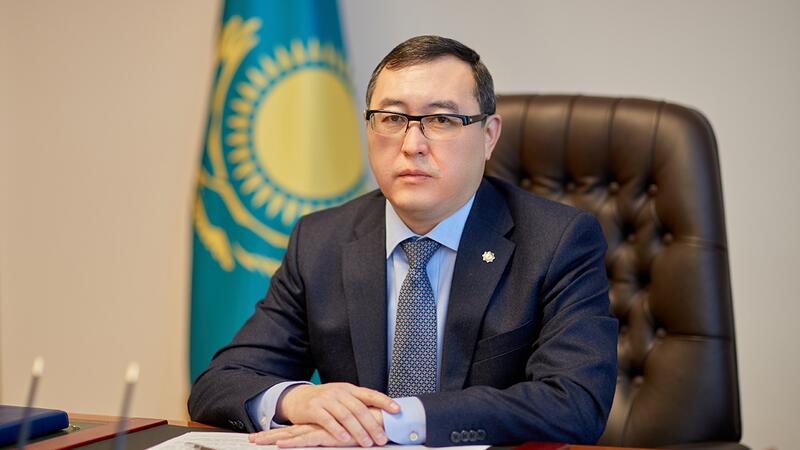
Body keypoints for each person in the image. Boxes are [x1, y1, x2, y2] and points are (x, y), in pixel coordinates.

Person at [188, 35, 617, 447]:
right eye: (392, 119)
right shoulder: (320, 240)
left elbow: (575, 402)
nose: (412, 145)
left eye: (442, 120)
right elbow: (218, 384)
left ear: (489, 136)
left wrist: (393, 421)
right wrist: (297, 399)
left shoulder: (558, 241)